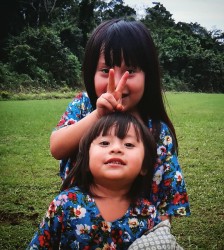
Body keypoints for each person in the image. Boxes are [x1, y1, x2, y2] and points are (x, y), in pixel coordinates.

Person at [50, 18, 190, 221]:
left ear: (147, 75)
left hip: (133, 233)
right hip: (79, 223)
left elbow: (164, 201)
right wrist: (98, 115)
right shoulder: (84, 105)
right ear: (91, 73)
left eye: (130, 71)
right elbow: (57, 148)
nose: (117, 83)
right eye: (106, 71)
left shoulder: (157, 131)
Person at [28, 112, 161, 249]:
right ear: (86, 161)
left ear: (144, 166)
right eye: (104, 143)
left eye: (128, 144)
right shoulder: (66, 203)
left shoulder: (149, 214)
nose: (116, 149)